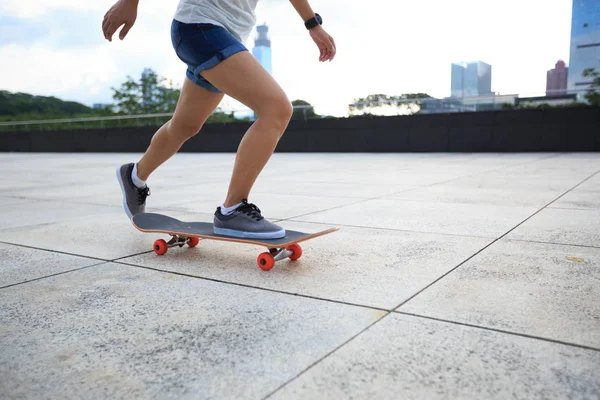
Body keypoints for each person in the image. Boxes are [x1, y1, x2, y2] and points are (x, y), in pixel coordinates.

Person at [102, 0, 336, 239]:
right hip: (201, 25)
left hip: (224, 34)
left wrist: (312, 24)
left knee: (184, 126)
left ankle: (134, 177)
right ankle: (232, 210)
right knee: (276, 109)